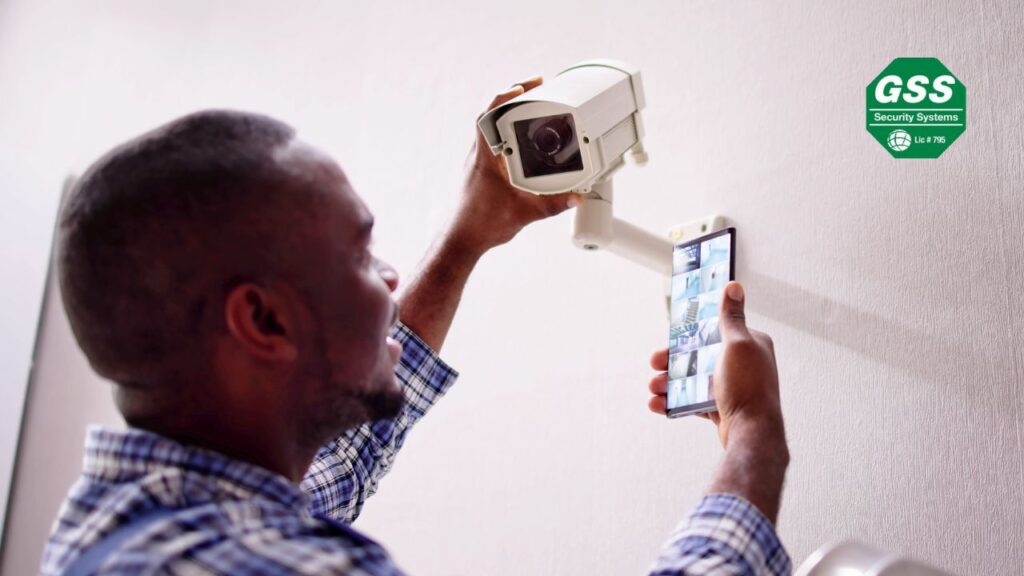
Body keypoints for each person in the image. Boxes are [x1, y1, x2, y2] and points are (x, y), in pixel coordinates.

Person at [42, 78, 790, 575]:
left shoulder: (132, 518)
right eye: (361, 253)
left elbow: (342, 461)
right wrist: (755, 437)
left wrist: (468, 240)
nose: (389, 275)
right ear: (263, 320)